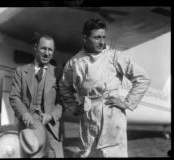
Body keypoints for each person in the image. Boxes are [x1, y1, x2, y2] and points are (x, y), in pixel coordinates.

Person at [59, 18, 150, 157]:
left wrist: (127, 103)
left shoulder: (114, 57)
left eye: (103, 37)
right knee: (87, 153)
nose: (102, 42)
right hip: (88, 114)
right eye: (97, 38)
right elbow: (64, 87)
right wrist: (73, 106)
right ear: (84, 38)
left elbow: (142, 78)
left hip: (111, 114)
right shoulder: (74, 62)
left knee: (113, 154)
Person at [9, 35, 64, 158]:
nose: (46, 53)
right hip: (28, 129)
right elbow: (14, 96)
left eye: (50, 50)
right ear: (35, 48)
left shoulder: (58, 73)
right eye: (43, 48)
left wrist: (51, 116)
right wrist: (24, 113)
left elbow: (63, 102)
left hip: (51, 130)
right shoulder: (21, 71)